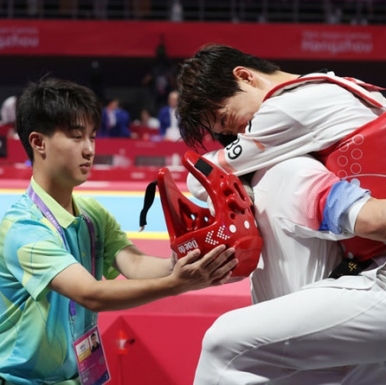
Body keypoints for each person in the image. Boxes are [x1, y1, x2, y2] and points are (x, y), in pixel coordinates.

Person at [173, 44, 386, 384]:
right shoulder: (349, 89)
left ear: (244, 76)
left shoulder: (287, 110)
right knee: (329, 372)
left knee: (223, 341)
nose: (240, 133)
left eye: (229, 120)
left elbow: (201, 178)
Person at [0, 77, 238, 385]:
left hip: (75, 379)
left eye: (93, 137)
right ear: (38, 142)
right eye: (76, 137)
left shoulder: (91, 215)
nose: (89, 150)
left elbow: (136, 264)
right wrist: (178, 284)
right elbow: (92, 294)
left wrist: (188, 261)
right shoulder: (24, 229)